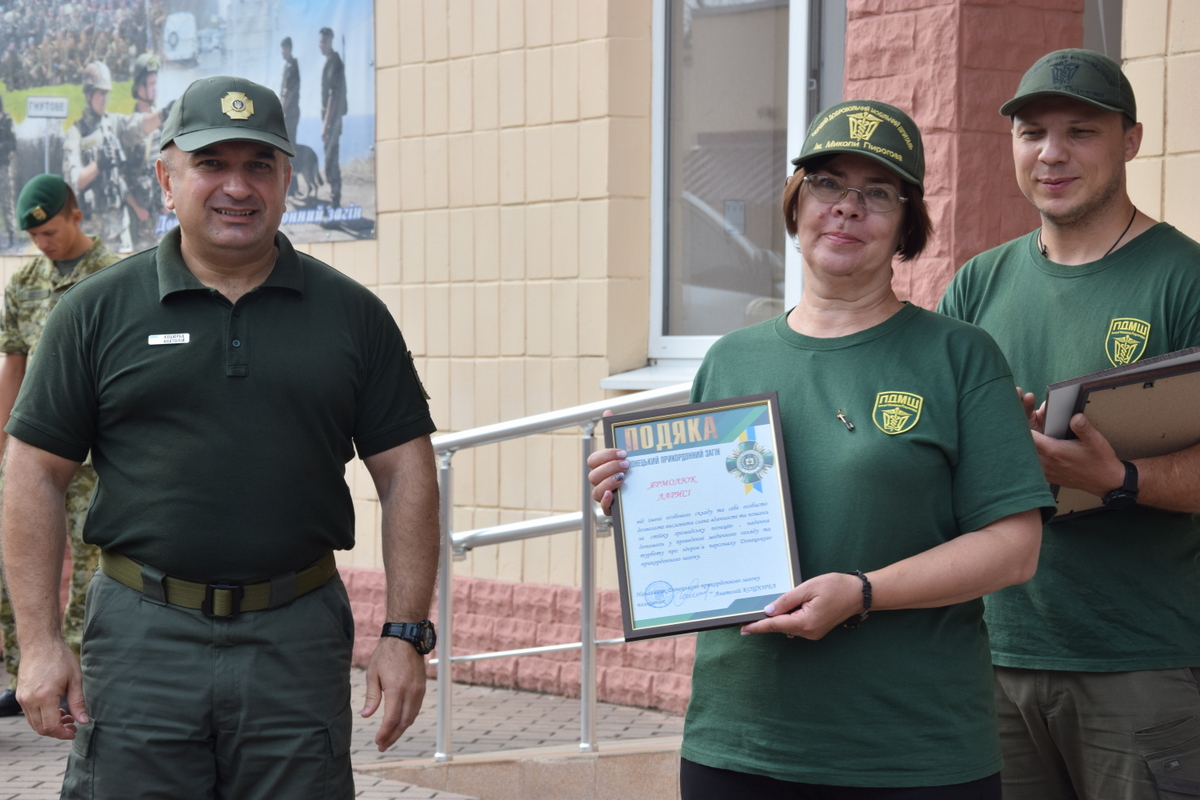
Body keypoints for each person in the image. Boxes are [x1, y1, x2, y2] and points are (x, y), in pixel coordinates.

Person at [589, 100, 1056, 798]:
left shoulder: (959, 357)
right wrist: (632, 496)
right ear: (796, 202)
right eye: (827, 183)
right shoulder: (731, 360)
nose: (846, 207)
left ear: (906, 225)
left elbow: (1015, 548)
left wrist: (863, 593)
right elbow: (705, 523)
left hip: (911, 752)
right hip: (739, 743)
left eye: (877, 192)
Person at [1, 76, 439, 798]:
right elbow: (32, 473)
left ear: (287, 180)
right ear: (165, 179)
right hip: (141, 640)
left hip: (296, 641)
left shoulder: (353, 317)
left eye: (259, 165)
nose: (237, 186)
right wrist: (41, 642)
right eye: (211, 163)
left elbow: (406, 471)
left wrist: (405, 632)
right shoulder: (95, 312)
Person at [938, 49, 1200, 800]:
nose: (1051, 154)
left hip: (1140, 663)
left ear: (1131, 141)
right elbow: (928, 453)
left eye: (1081, 131)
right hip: (992, 656)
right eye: (1032, 133)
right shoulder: (978, 282)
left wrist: (1117, 478)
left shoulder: (1184, 279)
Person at [0, 174, 119, 719]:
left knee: (94, 569)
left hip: (98, 458)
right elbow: (14, 367)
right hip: (36, 453)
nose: (42, 243)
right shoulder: (24, 282)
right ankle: (29, 675)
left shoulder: (115, 277)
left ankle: (85, 676)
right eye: (34, 236)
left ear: (76, 216)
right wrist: (5, 445)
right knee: (21, 563)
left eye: (49, 232)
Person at [123, 52, 166, 251]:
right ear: (140, 89)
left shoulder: (162, 126)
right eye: (151, 84)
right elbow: (119, 176)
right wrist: (137, 208)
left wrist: (168, 203)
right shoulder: (129, 130)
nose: (155, 88)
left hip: (161, 215)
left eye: (156, 83)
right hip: (140, 217)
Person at [319, 26, 346, 208]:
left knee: (331, 160)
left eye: (323, 41)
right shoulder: (330, 62)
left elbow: (333, 96)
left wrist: (326, 125)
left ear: (329, 41)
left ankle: (335, 200)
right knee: (330, 159)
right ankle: (334, 198)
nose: (320, 45)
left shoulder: (335, 62)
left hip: (333, 120)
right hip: (330, 119)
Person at [0, 97, 15, 248]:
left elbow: (13, 143)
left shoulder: (7, 122)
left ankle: (11, 235)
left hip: (3, 166)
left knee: (6, 202)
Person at [280, 36, 300, 145]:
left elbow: (287, 94)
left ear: (289, 48)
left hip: (290, 112)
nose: (282, 52)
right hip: (289, 112)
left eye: (284, 48)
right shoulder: (288, 66)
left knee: (289, 143)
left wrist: (280, 113)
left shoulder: (291, 67)